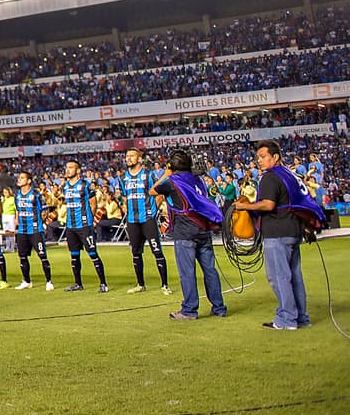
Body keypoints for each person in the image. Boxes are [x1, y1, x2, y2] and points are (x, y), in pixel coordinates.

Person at [235, 141, 312, 330]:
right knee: (294, 276)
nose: (259, 161)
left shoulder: (270, 176)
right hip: (293, 229)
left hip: (277, 231)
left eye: (263, 157)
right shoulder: (289, 174)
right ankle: (301, 317)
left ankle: (287, 319)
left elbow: (268, 205)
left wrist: (245, 206)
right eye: (258, 158)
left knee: (279, 277)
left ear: (275, 157)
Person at [153, 150, 226, 321]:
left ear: (172, 166)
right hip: (203, 229)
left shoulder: (171, 181)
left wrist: (165, 173)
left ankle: (189, 310)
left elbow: (153, 191)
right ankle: (219, 307)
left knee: (187, 272)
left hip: (185, 232)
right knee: (210, 271)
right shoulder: (197, 180)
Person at [121, 149, 171, 296]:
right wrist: (127, 209)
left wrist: (153, 211)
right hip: (132, 221)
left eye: (132, 156)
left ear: (140, 158)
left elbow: (159, 193)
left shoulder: (149, 175)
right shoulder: (123, 177)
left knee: (157, 251)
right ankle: (140, 284)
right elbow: (124, 197)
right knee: (136, 253)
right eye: (127, 156)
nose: (129, 158)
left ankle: (165, 285)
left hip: (147, 219)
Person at [60, 160, 108, 293]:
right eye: (67, 167)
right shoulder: (65, 187)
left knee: (93, 254)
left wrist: (89, 220)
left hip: (84, 226)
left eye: (71, 167)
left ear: (78, 170)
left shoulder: (85, 186)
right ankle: (78, 283)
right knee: (74, 256)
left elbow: (93, 204)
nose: (67, 170)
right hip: (71, 226)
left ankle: (103, 284)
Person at [13, 172, 54, 291]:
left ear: (29, 181)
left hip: (35, 230)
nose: (19, 179)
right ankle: (26, 281)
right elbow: (17, 209)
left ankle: (49, 281)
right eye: (19, 177)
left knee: (42, 255)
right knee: (22, 257)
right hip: (22, 230)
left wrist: (41, 222)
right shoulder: (17, 195)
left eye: (22, 177)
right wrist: (16, 219)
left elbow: (45, 210)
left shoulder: (36, 194)